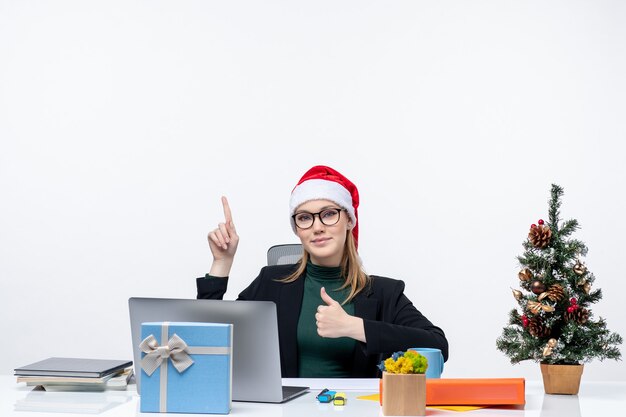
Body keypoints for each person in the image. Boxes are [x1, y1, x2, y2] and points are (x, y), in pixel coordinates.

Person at [196, 165, 448, 378]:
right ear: (297, 229)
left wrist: (354, 327)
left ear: (349, 220)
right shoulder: (272, 282)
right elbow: (205, 342)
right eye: (305, 218)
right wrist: (221, 263)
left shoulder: (384, 293)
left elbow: (438, 344)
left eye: (328, 214)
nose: (317, 227)